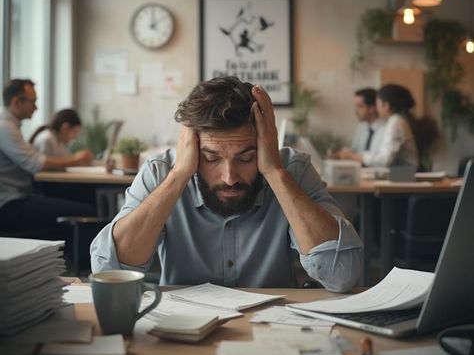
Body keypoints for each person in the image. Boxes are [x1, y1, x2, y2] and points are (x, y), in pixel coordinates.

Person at [91, 76, 362, 292]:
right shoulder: (161, 173)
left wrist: (274, 171)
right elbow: (108, 272)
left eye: (246, 158)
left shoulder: (292, 170)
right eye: (211, 159)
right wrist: (179, 176)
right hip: (182, 332)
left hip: (272, 331)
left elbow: (343, 275)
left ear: (265, 143)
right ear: (192, 146)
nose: (230, 177)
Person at [0, 79, 95, 234]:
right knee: (86, 209)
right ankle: (74, 257)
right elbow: (35, 164)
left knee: (84, 198)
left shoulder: (11, 126)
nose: (36, 107)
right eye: (33, 102)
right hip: (9, 203)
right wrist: (77, 159)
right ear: (16, 102)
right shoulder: (4, 128)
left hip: (19, 196)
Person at [336, 84, 419, 168]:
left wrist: (353, 156)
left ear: (386, 106)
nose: (376, 108)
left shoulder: (395, 123)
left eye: (378, 104)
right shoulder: (397, 121)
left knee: (367, 178)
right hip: (402, 173)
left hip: (407, 174)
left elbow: (385, 160)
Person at [349, 88, 386, 154]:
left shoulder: (386, 129)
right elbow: (354, 151)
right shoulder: (361, 127)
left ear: (372, 108)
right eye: (356, 106)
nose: (356, 111)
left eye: (360, 106)